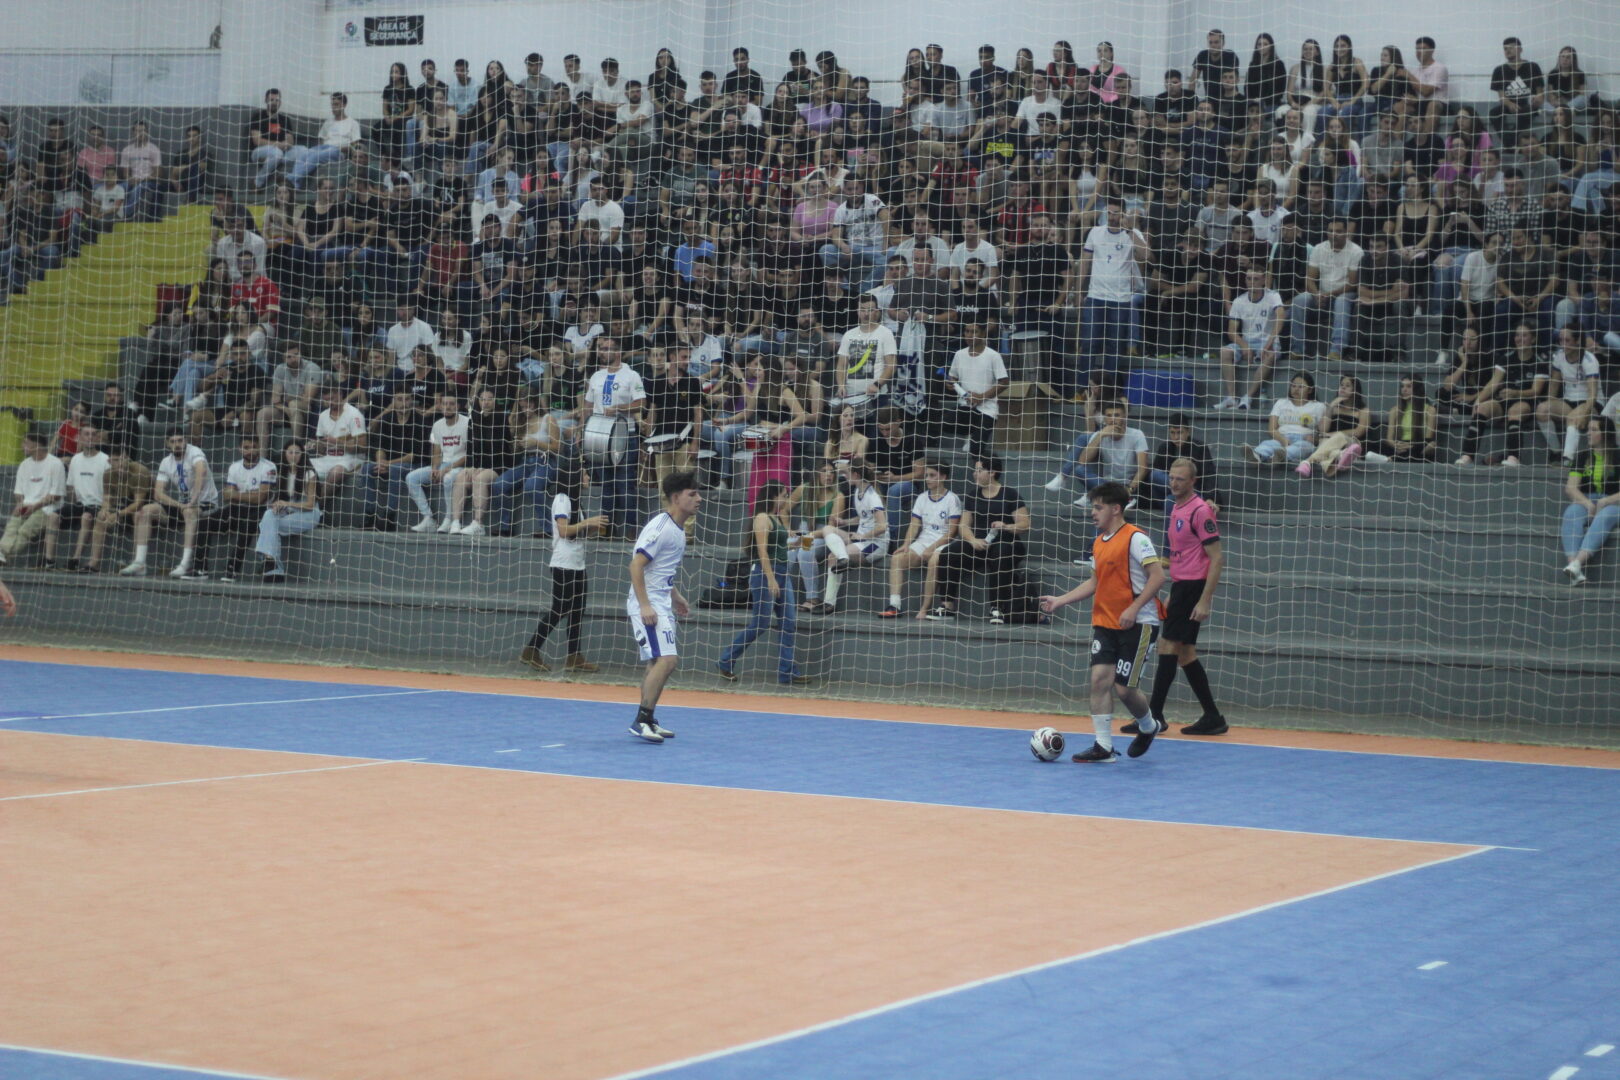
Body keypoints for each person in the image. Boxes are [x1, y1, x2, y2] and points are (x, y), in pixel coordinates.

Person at [1038, 481, 1167, 762]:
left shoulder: (1136, 538)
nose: (1093, 513)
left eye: (1098, 508)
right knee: (1099, 680)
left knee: (1124, 689)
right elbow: (1094, 582)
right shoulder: (1098, 542)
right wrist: (1060, 600)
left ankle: (1148, 726)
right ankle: (1103, 746)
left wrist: (1133, 608)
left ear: (1116, 509)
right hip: (1105, 622)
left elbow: (1158, 576)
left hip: (1139, 623)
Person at [1136, 458, 1227, 735]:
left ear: (1193, 482)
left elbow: (1217, 558)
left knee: (1167, 646)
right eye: (1171, 478)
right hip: (1182, 585)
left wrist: (1205, 600)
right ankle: (1212, 716)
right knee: (1185, 653)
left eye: (1180, 479)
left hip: (1193, 586)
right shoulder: (1176, 506)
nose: (1174, 483)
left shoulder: (1200, 511)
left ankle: (1155, 716)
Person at [626, 471, 704, 742]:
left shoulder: (678, 530)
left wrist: (676, 596)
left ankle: (648, 718)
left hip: (660, 600)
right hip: (647, 603)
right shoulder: (661, 528)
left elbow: (660, 571)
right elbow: (636, 565)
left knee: (657, 661)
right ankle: (641, 720)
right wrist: (645, 606)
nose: (699, 498)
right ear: (676, 497)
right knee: (668, 660)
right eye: (692, 494)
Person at [717, 479, 808, 685]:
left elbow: (782, 546)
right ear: (773, 496)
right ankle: (726, 660)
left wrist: (805, 541)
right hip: (766, 574)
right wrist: (771, 579)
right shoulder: (762, 518)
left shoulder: (776, 518)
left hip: (782, 573)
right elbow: (762, 551)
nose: (786, 499)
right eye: (784, 495)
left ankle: (787, 672)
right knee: (760, 623)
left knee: (788, 623)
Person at [521, 460, 608, 672]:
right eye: (585, 474)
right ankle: (531, 649)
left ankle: (574, 656)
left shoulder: (576, 501)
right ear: (574, 477)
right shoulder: (562, 499)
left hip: (577, 564)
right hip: (563, 564)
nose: (588, 477)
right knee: (559, 609)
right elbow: (563, 531)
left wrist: (595, 527)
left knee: (577, 610)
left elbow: (576, 531)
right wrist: (588, 522)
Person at [934, 454, 1030, 624]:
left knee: (1001, 553)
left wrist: (1005, 526)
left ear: (992, 472)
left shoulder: (1010, 494)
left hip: (1006, 543)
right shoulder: (973, 495)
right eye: (975, 470)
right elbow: (964, 525)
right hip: (980, 544)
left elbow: (1025, 524)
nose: (974, 474)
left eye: (979, 470)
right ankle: (947, 606)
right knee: (949, 553)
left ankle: (997, 608)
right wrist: (972, 540)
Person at [119, 430, 218, 578]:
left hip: (206, 503)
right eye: (173, 441)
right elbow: (158, 494)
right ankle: (140, 563)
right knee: (144, 511)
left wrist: (192, 501)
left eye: (180, 440)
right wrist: (179, 505)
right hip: (182, 505)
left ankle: (185, 564)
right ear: (167, 443)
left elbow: (201, 472)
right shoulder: (166, 462)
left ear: (186, 440)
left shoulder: (195, 452)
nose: (177, 444)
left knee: (189, 512)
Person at [880, 462, 961, 620]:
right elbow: (914, 525)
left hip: (944, 543)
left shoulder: (952, 499)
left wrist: (931, 548)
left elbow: (952, 533)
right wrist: (906, 544)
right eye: (926, 475)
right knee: (897, 558)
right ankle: (895, 605)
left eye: (932, 475)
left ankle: (925, 608)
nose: (927, 479)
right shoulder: (922, 498)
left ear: (943, 477)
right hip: (924, 541)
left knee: (934, 561)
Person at [583, 337, 646, 538]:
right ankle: (605, 529)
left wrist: (620, 408)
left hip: (625, 435)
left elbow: (641, 403)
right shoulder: (596, 376)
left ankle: (631, 529)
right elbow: (587, 406)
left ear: (617, 352)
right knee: (606, 485)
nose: (601, 352)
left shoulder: (631, 375)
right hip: (600, 437)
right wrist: (582, 430)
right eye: (600, 348)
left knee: (625, 484)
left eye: (606, 348)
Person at [808, 462, 889, 615]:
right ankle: (843, 559)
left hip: (876, 544)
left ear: (856, 475)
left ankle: (829, 604)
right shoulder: (858, 491)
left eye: (847, 473)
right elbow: (863, 517)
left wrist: (863, 536)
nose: (844, 476)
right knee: (827, 529)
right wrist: (845, 522)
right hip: (861, 539)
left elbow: (882, 527)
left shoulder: (873, 497)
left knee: (832, 557)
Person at [203, 435, 277, 581]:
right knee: (204, 523)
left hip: (261, 509)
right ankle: (200, 569)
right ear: (240, 449)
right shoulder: (234, 467)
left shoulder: (269, 467)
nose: (250, 451)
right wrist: (250, 495)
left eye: (254, 447)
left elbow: (260, 499)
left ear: (259, 448)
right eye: (246, 447)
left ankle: (232, 569)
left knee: (247, 525)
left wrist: (236, 494)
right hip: (238, 508)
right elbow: (226, 496)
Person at [1214, 268, 1285, 410]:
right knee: (1224, 351)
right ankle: (1231, 398)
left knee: (1270, 354)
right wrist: (1244, 346)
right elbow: (1231, 331)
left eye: (1256, 279)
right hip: (1247, 341)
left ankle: (1248, 397)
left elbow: (1281, 317)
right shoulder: (1239, 301)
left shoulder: (1273, 296)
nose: (1251, 282)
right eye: (1248, 278)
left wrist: (1269, 343)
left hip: (1267, 341)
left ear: (1264, 280)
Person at [1560, 416, 1619, 584]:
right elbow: (1571, 488)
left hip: (1615, 502)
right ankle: (1573, 568)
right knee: (1571, 513)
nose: (1588, 433)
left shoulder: (1618, 455)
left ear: (1605, 433)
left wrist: (1605, 501)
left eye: (1594, 430)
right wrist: (1587, 504)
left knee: (1606, 515)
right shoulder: (1582, 456)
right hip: (1588, 499)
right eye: (1588, 429)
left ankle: (1578, 562)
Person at [256, 439, 321, 581]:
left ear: (302, 454)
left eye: (297, 452)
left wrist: (286, 504)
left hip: (308, 513)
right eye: (290, 452)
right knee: (269, 515)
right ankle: (271, 561)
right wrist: (276, 505)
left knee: (270, 525)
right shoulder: (281, 473)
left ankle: (272, 565)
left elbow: (310, 504)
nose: (293, 456)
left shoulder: (309, 473)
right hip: (290, 510)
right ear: (285, 454)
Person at [1539, 327, 1604, 466]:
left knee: (1573, 418)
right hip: (1569, 401)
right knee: (1542, 410)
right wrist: (1551, 405)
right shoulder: (1559, 356)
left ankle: (1568, 459)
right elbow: (1554, 384)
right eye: (1561, 340)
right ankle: (1556, 452)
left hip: (1592, 403)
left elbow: (1593, 394)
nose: (1563, 344)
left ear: (1577, 340)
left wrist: (1585, 414)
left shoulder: (1589, 360)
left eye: (1567, 340)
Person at [81, 444, 151, 574]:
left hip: (143, 508)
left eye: (123, 459)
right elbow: (107, 500)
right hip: (122, 507)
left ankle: (137, 562)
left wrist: (118, 514)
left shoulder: (140, 472)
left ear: (128, 458)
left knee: (138, 515)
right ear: (109, 461)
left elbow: (138, 503)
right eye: (116, 460)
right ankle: (94, 563)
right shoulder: (108, 474)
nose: (121, 463)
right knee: (101, 518)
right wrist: (105, 510)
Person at [0, 434, 67, 569]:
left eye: (26, 443)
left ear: (37, 445)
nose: (22, 446)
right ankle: (2, 556)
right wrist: (20, 504)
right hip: (26, 505)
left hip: (47, 508)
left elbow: (56, 495)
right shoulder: (24, 464)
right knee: (11, 526)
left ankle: (3, 554)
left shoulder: (55, 463)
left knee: (25, 530)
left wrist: (35, 507)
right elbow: (18, 491)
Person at [406, 393, 469, 531]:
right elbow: (436, 452)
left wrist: (446, 469)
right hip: (442, 465)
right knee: (411, 478)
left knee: (448, 478)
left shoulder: (467, 423)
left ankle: (449, 519)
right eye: (445, 404)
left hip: (461, 466)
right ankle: (428, 518)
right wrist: (435, 468)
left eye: (452, 404)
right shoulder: (437, 425)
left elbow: (469, 455)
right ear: (440, 406)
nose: (448, 407)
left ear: (458, 406)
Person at [946, 320, 1008, 458]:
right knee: (942, 422)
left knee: (976, 450)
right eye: (967, 331)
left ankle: (976, 438)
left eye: (974, 332)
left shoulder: (993, 356)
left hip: (987, 410)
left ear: (983, 333)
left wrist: (981, 397)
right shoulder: (959, 354)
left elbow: (1004, 382)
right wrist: (950, 383)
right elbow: (952, 377)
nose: (969, 335)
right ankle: (971, 431)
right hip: (965, 407)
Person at [1297, 375, 1372, 478]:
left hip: (1352, 443)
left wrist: (1334, 434)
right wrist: (1331, 406)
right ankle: (1340, 456)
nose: (1343, 387)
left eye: (1347, 386)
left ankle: (1308, 461)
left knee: (1338, 437)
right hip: (1331, 444)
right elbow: (1323, 429)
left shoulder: (1363, 410)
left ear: (1355, 390)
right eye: (1341, 385)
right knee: (1325, 443)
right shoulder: (1333, 408)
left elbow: (1359, 431)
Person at [1244, 372, 1326, 465]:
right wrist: (1282, 439)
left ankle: (1281, 456)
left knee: (1303, 447)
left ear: (1310, 390)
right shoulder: (1281, 403)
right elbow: (1272, 429)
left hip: (1304, 440)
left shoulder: (1318, 406)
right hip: (1282, 437)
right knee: (1268, 444)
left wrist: (1314, 439)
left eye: (1301, 387)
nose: (1296, 389)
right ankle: (1257, 456)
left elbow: (1323, 432)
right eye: (1293, 386)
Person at [1380, 375, 1442, 462]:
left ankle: (1391, 459)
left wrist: (1410, 446)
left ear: (1417, 389)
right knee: (1378, 444)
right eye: (1402, 386)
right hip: (1400, 445)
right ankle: (1393, 458)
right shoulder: (1394, 410)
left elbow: (1428, 438)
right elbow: (1389, 439)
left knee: (1431, 445)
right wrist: (1396, 445)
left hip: (1418, 446)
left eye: (1409, 386)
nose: (1404, 390)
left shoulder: (1430, 410)